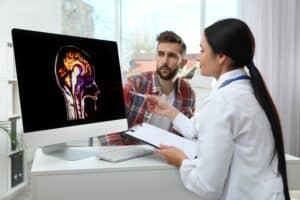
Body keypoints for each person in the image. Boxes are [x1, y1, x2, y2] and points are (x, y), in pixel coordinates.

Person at [146, 18, 290, 199]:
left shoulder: (223, 100)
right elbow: (198, 127)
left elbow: (206, 185)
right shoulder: (247, 90)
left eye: (202, 49)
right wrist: (170, 111)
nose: (198, 57)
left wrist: (181, 161)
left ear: (221, 57)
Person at [99, 31, 196, 145]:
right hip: (130, 154)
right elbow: (107, 124)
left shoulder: (188, 93)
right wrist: (118, 153)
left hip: (166, 158)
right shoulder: (136, 84)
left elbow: (188, 135)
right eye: (161, 54)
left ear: (183, 63)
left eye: (172, 56)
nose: (164, 61)